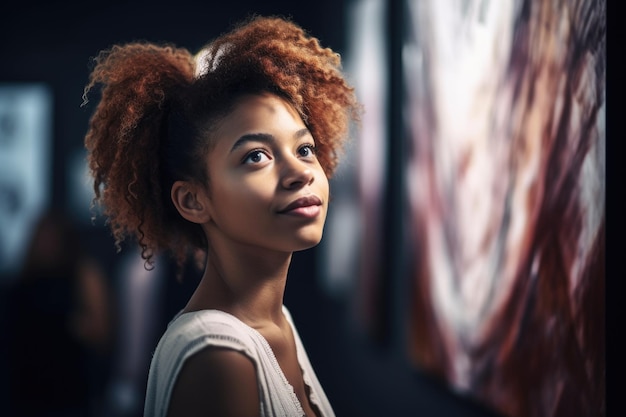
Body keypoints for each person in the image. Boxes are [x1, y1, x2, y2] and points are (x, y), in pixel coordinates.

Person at [81, 14, 361, 417]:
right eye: (256, 156)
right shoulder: (219, 357)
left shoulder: (278, 322)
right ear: (194, 201)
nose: (301, 172)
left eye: (304, 149)